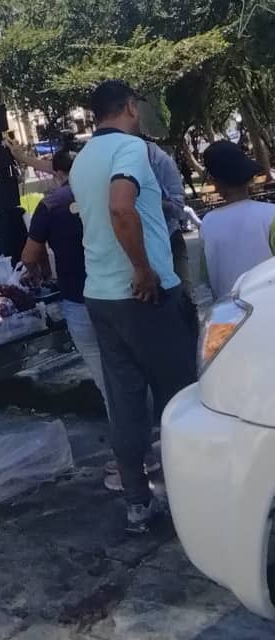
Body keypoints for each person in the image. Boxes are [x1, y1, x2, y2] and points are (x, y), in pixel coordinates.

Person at [69, 80, 198, 534]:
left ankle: (138, 505)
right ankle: (198, 502)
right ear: (128, 107)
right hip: (143, 295)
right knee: (182, 399)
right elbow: (122, 208)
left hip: (100, 297)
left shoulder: (82, 159)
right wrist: (143, 269)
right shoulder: (131, 149)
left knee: (124, 402)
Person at [5, 142, 109, 410]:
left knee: (102, 373)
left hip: (78, 298)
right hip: (116, 292)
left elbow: (28, 256)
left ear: (56, 172)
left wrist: (38, 273)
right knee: (126, 364)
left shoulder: (51, 205)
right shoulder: (107, 193)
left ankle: (126, 435)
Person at [200, 140, 275, 298]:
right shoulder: (270, 214)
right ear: (249, 177)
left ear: (215, 182)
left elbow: (205, 278)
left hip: (230, 314)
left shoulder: (207, 224)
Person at [145, 140, 194, 300]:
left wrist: (146, 201)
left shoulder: (156, 157)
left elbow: (178, 208)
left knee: (185, 297)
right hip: (134, 245)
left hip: (169, 236)